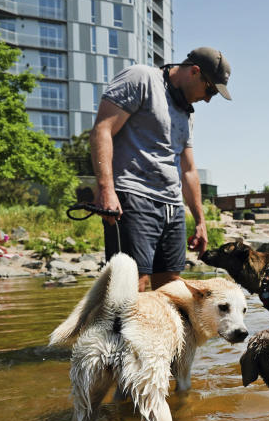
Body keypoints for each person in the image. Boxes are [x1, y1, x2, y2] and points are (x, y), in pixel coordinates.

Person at [89, 47, 231, 291]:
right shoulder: (140, 78)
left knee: (171, 290)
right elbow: (102, 130)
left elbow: (188, 169)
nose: (208, 99)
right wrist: (105, 189)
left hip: (171, 208)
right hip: (133, 198)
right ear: (194, 72)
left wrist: (200, 221)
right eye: (209, 90)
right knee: (134, 286)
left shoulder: (187, 113)